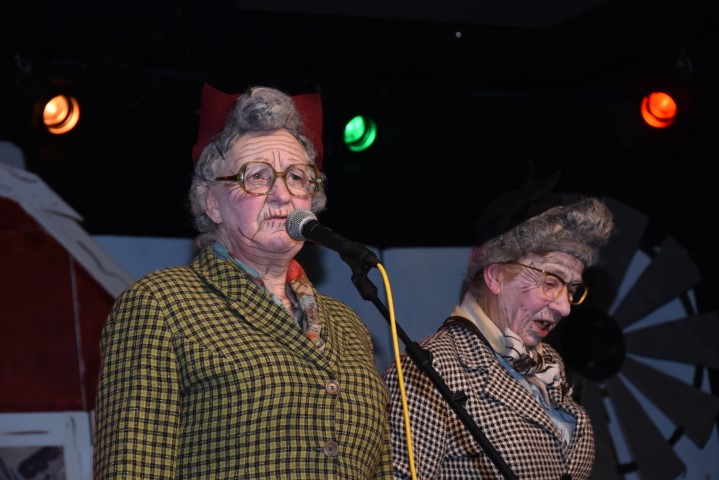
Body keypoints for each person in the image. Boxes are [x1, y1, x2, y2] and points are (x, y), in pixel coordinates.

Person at [92, 84, 393, 478]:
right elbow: (132, 469)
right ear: (211, 203)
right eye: (257, 176)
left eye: (297, 177)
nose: (282, 195)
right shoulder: (161, 304)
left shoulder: (348, 324)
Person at [382, 171, 615, 480]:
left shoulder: (547, 365)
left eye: (572, 289)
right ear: (495, 277)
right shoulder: (428, 370)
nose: (565, 307)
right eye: (551, 281)